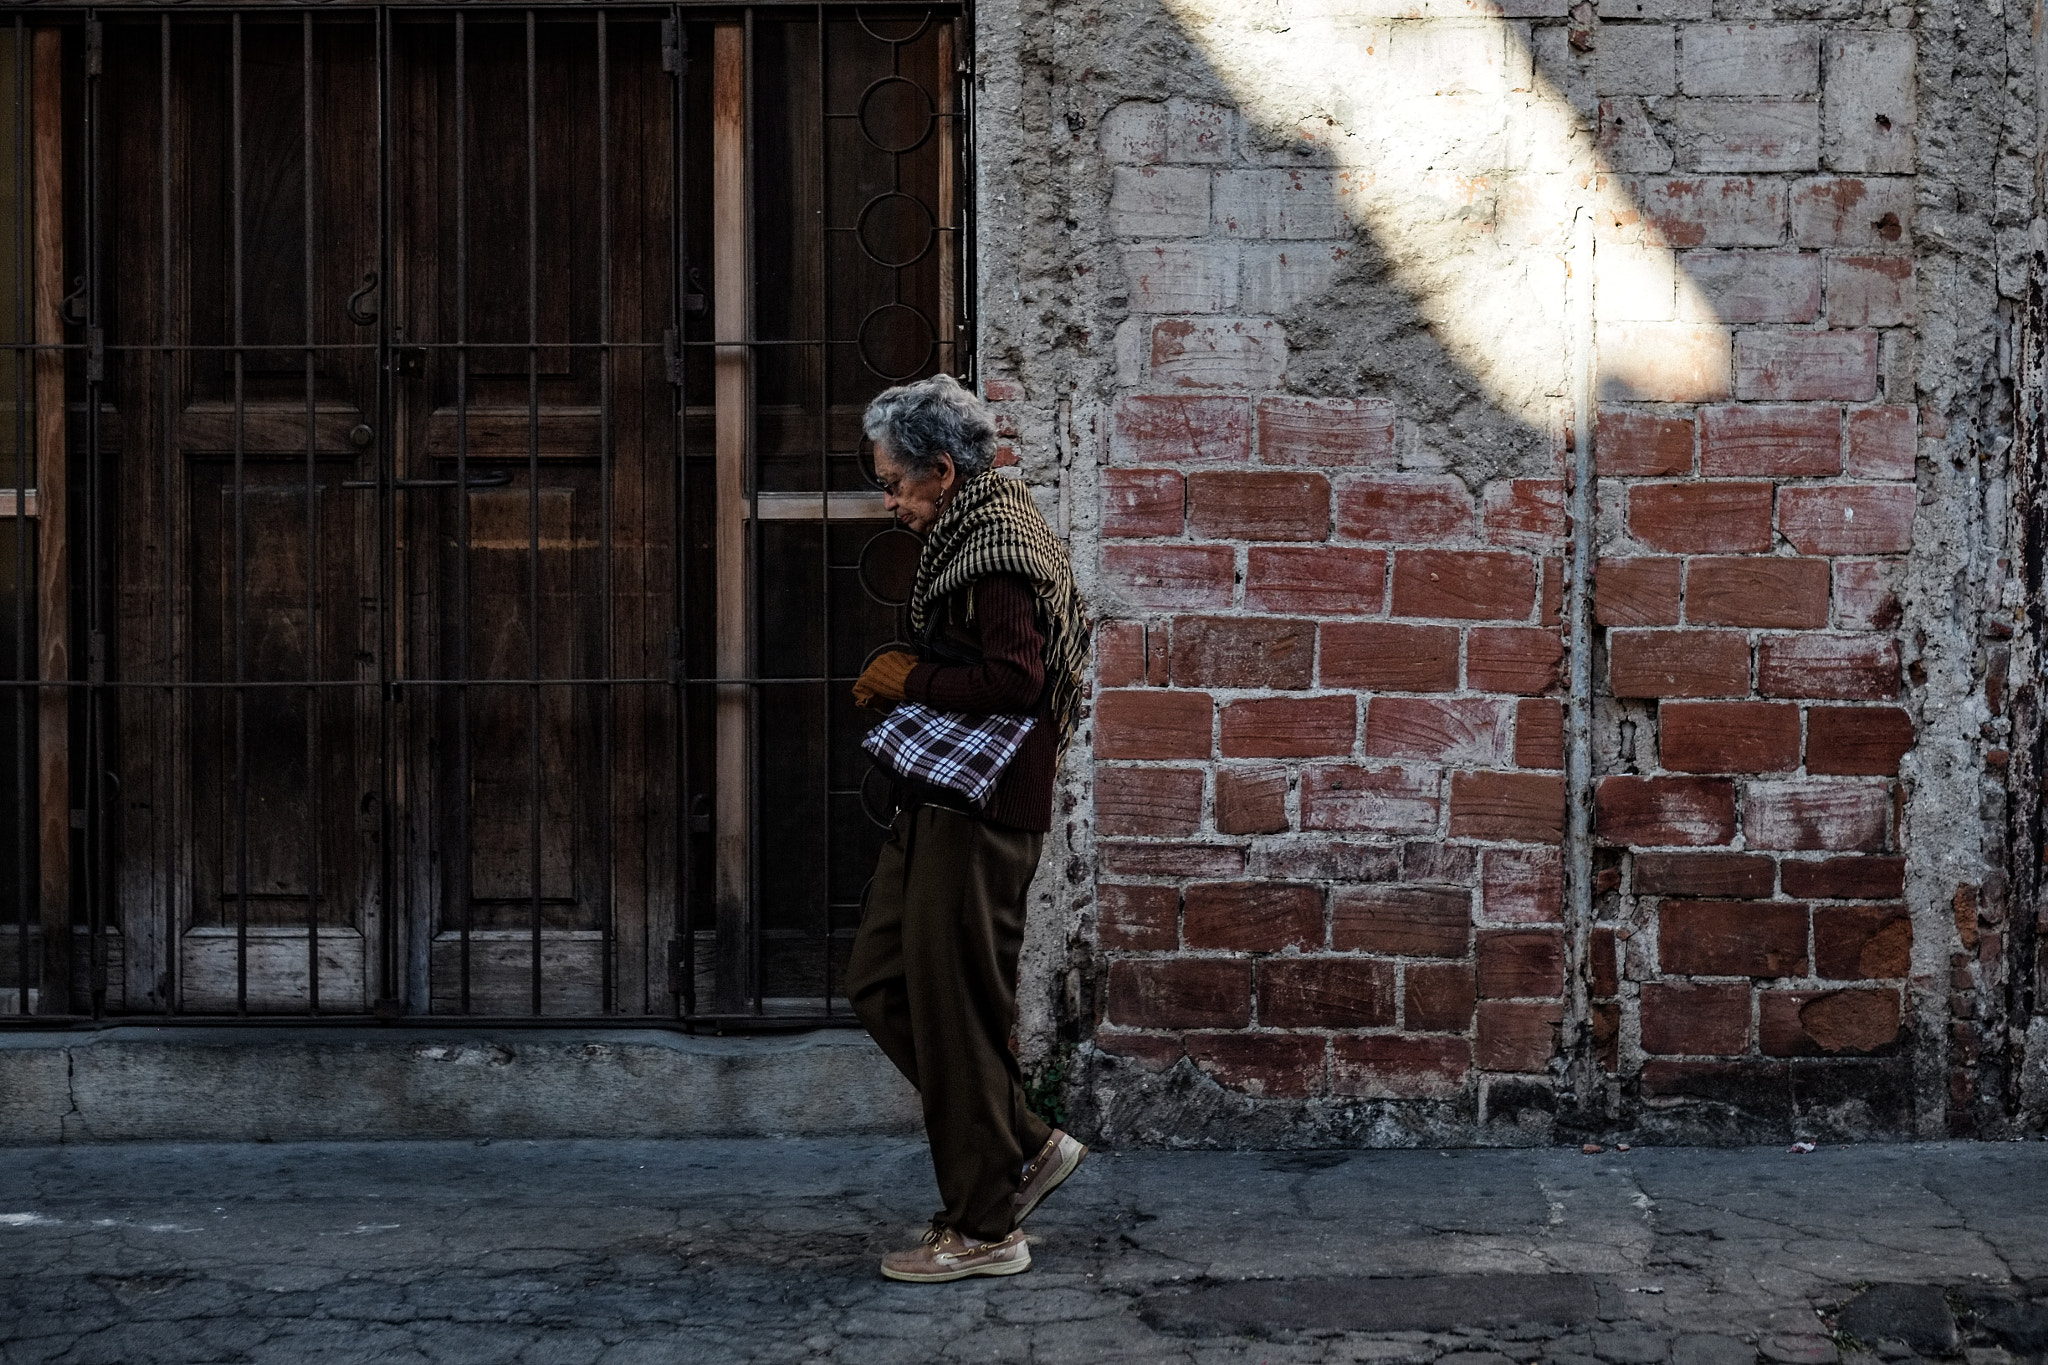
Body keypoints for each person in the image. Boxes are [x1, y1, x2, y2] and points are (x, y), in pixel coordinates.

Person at [845, 373, 1091, 1284]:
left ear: (941, 472)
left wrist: (905, 680)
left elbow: (1015, 682)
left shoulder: (994, 547)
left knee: (954, 1010)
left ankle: (986, 1226)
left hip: (984, 808)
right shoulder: (969, 526)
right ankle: (1023, 1140)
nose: (889, 498)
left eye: (895, 482)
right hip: (941, 801)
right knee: (881, 980)